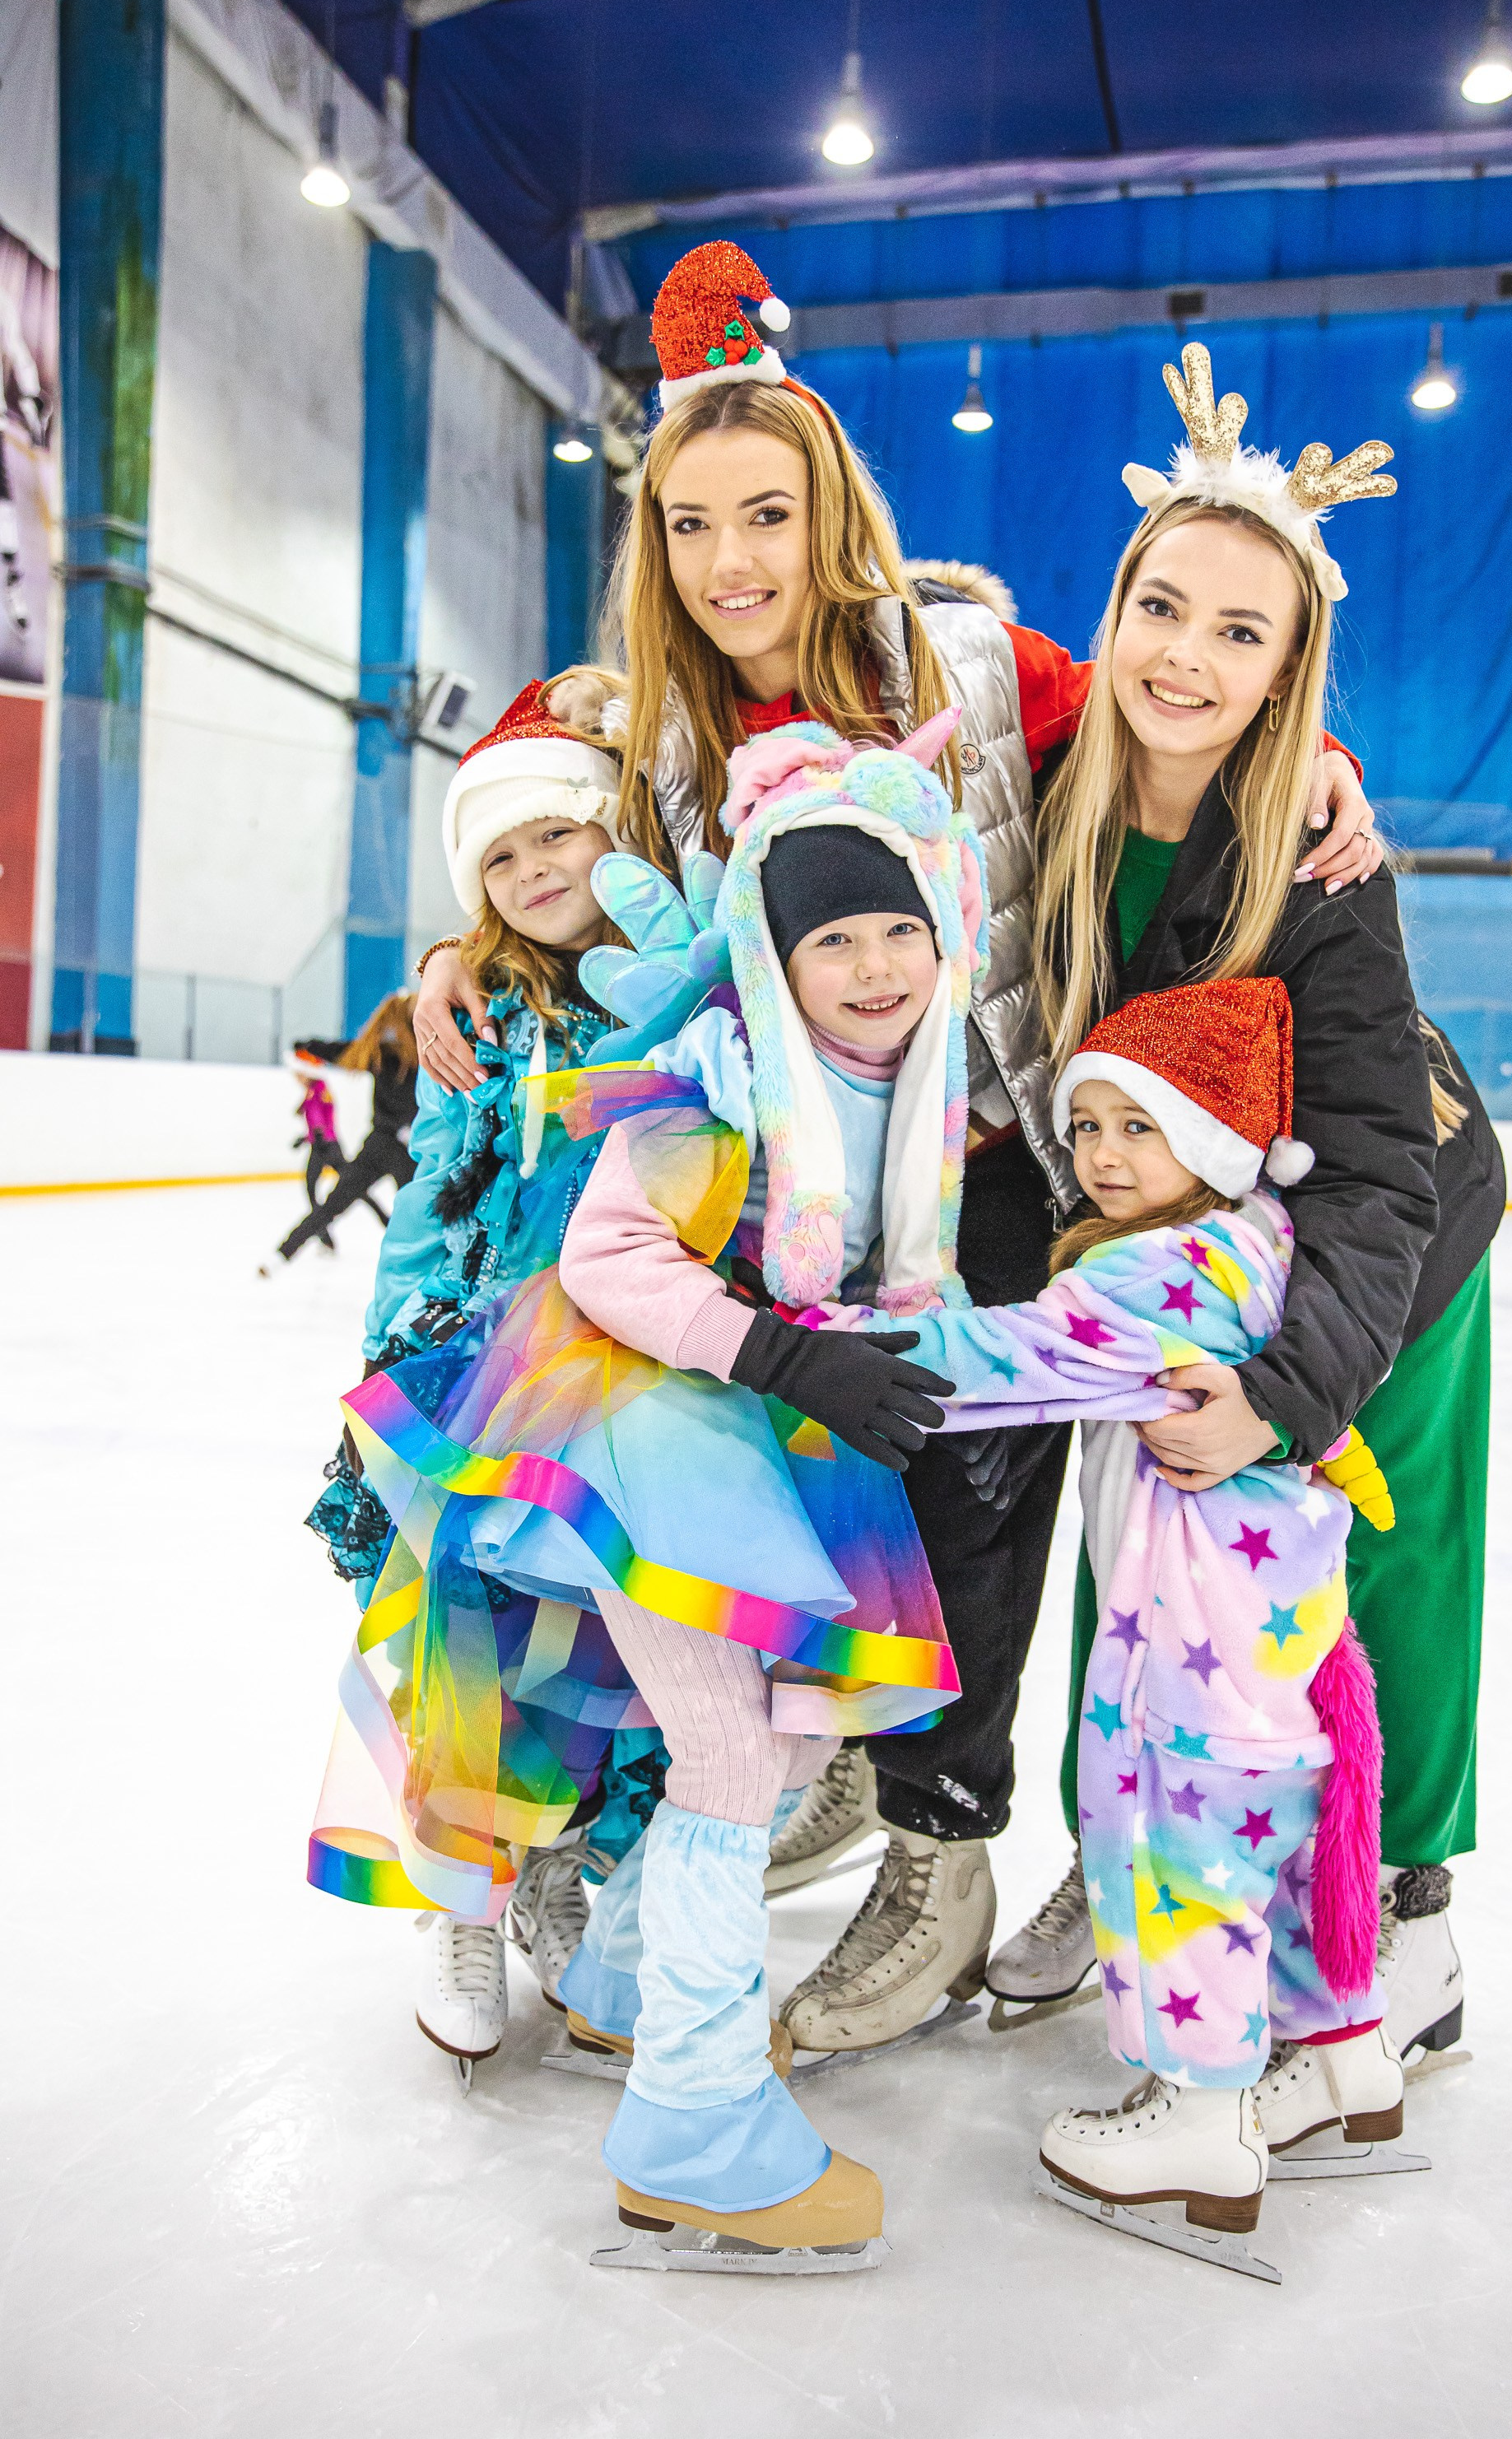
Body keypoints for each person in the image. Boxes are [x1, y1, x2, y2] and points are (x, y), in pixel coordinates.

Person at [414, 241, 1382, 2050]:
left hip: (997, 1155)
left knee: (970, 1484)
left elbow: (1162, 726)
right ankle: (837, 1767)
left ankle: (946, 1856)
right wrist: (456, 945)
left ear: (827, 504)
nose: (734, 564)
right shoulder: (672, 749)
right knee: (798, 1489)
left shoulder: (954, 653)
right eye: (690, 526)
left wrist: (1314, 761)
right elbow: (546, 859)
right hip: (801, 1197)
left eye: (765, 513)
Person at [338, 714, 975, 2270]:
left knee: (768, 1729)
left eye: (905, 930)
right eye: (841, 938)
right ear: (775, 949)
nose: (878, 966)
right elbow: (603, 1255)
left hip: (716, 1416)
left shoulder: (891, 1082)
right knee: (710, 1751)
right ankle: (694, 2126)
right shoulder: (723, 1064)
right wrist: (792, 1359)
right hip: (618, 1411)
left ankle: (625, 1994)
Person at [989, 350, 1503, 2060]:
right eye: (1162, 606)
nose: (1185, 657)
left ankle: (1407, 1906)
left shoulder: (1314, 855)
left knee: (1383, 1548)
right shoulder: (1052, 803)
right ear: (1115, 606)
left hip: (1394, 1223)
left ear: (1290, 671)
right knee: (1122, 1528)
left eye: (1239, 632)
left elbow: (1369, 1166)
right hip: (1183, 1242)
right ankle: (1102, 1846)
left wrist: (1290, 1398)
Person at [822, 975, 1410, 2271]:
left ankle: (1200, 2122)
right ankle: (1344, 2062)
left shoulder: (1156, 1275)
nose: (1098, 1153)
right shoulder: (1263, 1239)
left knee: (1178, 1873)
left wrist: (811, 1336)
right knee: (1291, 1872)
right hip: (1288, 1655)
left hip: (1190, 1674)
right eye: (1083, 1127)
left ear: (1203, 1139)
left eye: (1136, 1127)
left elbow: (995, 1367)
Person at [306, 691, 676, 2078]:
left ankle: (555, 1868)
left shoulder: (673, 992)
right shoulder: (487, 1021)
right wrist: (402, 1347)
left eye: (556, 836)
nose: (532, 873)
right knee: (466, 1640)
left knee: (602, 1653)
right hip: (485, 1377)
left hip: (634, 1378)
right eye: (499, 861)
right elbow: (431, 1205)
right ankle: (459, 1900)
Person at [261, 994, 418, 1272]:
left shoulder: (388, 1055)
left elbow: (343, 1052)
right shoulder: (402, 1056)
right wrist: (311, 1047)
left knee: (335, 1204)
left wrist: (308, 1046)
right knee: (407, 1216)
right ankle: (283, 1254)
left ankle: (282, 1254)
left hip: (390, 1146)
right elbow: (345, 1052)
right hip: (398, 1147)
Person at [291, 1053, 345, 1221]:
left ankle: (384, 1217)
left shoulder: (319, 1088)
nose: (297, 1079)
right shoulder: (311, 1091)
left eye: (299, 1075)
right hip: (320, 1144)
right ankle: (322, 1232)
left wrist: (321, 1135)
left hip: (328, 1145)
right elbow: (315, 1122)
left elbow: (324, 1118)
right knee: (311, 1186)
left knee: (351, 1183)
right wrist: (306, 1138)